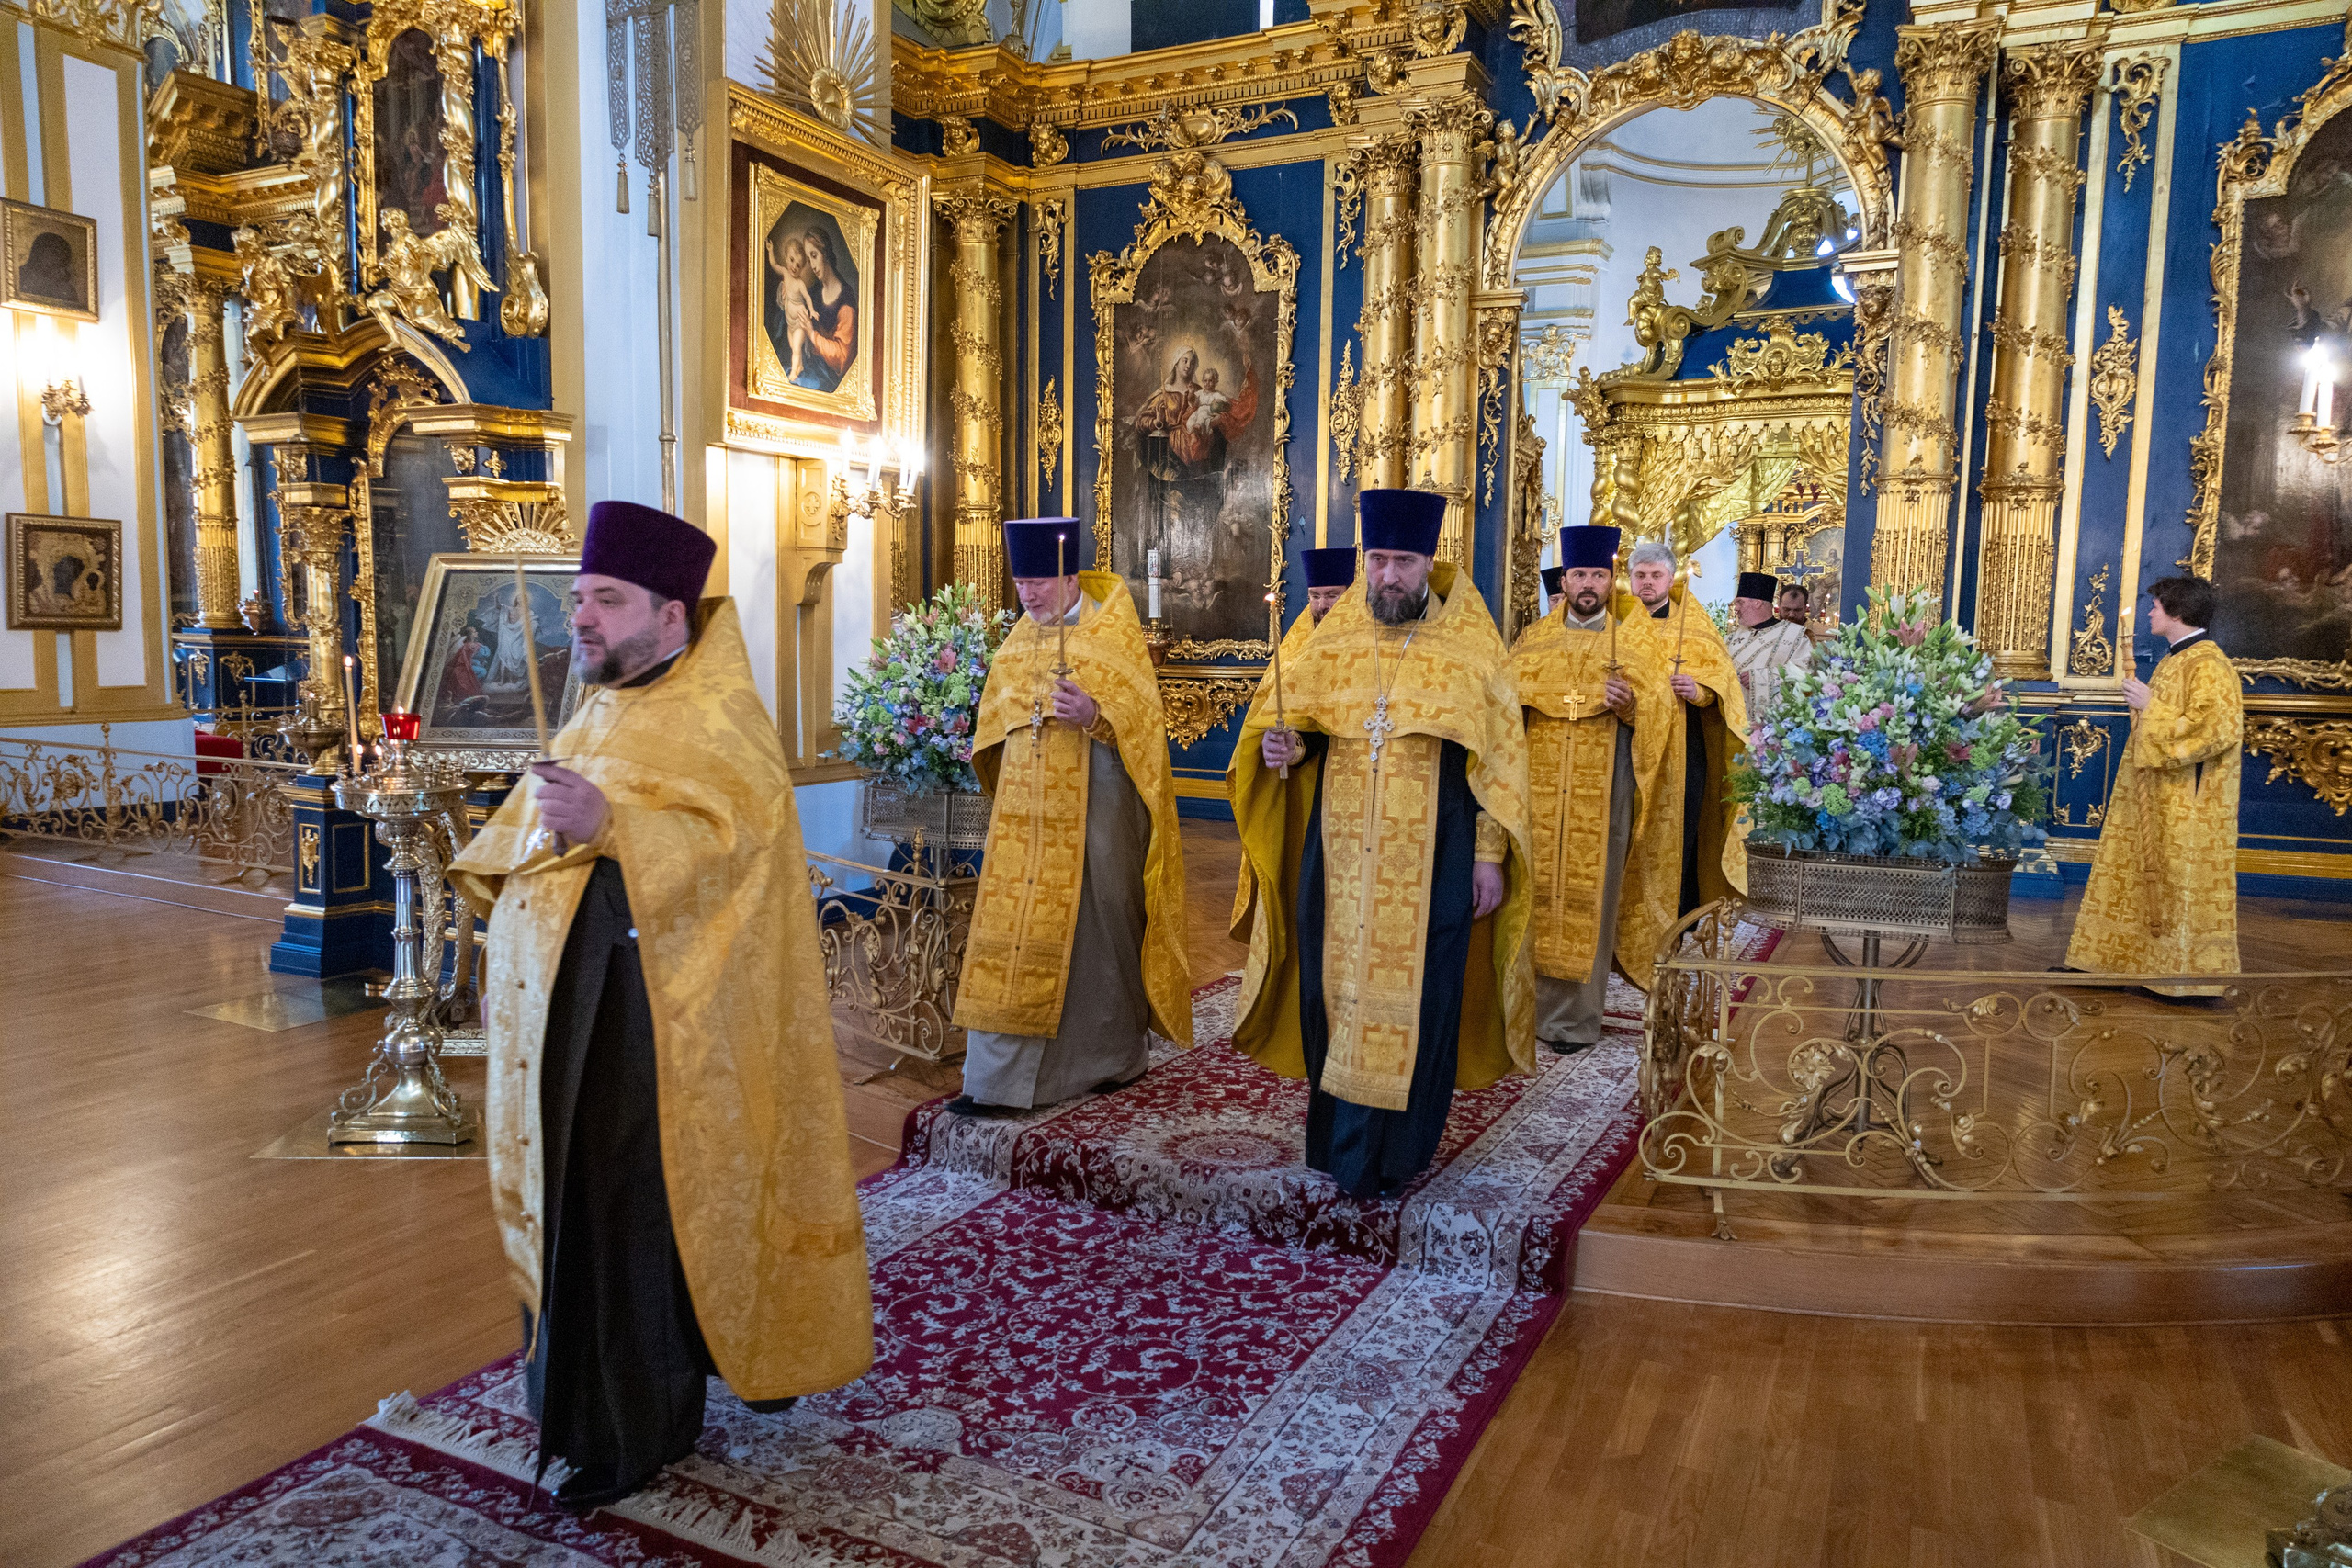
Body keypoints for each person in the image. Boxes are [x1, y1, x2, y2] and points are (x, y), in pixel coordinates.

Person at [446, 501, 872, 1511]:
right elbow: (535, 830)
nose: (579, 619)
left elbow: (746, 859)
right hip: (567, 1014)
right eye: (578, 598)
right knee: (578, 1211)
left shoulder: (720, 719)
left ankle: (635, 1428)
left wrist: (616, 826)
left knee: (632, 1215)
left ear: (671, 616)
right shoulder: (600, 702)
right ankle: (586, 1405)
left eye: (606, 600)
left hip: (660, 1027)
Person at [1230, 489, 1534, 1197]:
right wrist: (1285, 746)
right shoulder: (1331, 637)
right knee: (1330, 987)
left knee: (1423, 993)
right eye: (1378, 560)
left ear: (1429, 562)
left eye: (1402, 561)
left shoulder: (1472, 645)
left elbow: (1500, 760)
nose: (1387, 576)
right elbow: (1296, 723)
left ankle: (1397, 1151)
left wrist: (1489, 855)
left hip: (1438, 846)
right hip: (1336, 852)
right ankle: (1337, 1135)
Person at [952, 517, 1192, 1113]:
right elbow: (993, 719)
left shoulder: (1113, 633)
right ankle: (996, 1080)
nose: (1027, 594)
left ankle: (1112, 1059)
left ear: (1068, 576)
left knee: (1099, 934)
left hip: (1100, 810)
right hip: (1025, 819)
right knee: (1013, 934)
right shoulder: (1019, 640)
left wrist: (1095, 715)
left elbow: (1144, 724)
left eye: (1037, 581)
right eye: (1019, 582)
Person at [1511, 525, 1675, 1053]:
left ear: (1610, 582)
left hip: (1607, 784)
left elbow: (1660, 712)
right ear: (1564, 578)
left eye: (1597, 575)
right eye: (1578, 574)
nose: (1587, 583)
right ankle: (1524, 1009)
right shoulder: (1533, 639)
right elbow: (1503, 705)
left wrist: (1630, 706)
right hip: (1536, 784)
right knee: (1531, 889)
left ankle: (1574, 1021)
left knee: (1592, 895)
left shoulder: (1635, 638)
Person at [2064, 575, 2242, 998]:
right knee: (2137, 874)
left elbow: (2216, 731)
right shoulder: (2174, 659)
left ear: (2178, 612)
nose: (2149, 613)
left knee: (2174, 879)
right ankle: (2114, 962)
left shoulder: (2209, 664)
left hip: (2184, 800)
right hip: (2155, 791)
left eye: (2156, 607)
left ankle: (2178, 976)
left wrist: (2152, 707)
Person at [1229, 545, 1354, 947]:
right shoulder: (1298, 641)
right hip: (1301, 788)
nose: (1322, 606)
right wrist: (1275, 741)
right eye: (1315, 596)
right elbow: (1270, 708)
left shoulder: (1367, 647)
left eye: (1332, 595)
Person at [1628, 540, 1749, 920]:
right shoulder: (1615, 625)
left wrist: (1698, 691)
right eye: (1640, 576)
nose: (1647, 583)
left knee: (1679, 831)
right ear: (1629, 579)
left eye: (1655, 576)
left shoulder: (1694, 629)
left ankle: (1676, 917)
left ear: (1670, 579)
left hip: (1683, 746)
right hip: (1624, 745)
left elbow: (1724, 686)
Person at [1724, 570, 1813, 722]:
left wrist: (1761, 678)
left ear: (1758, 602)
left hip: (1772, 729)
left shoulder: (1796, 636)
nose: (1736, 608)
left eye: (1740, 602)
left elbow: (1807, 677)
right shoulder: (1731, 638)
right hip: (1730, 723)